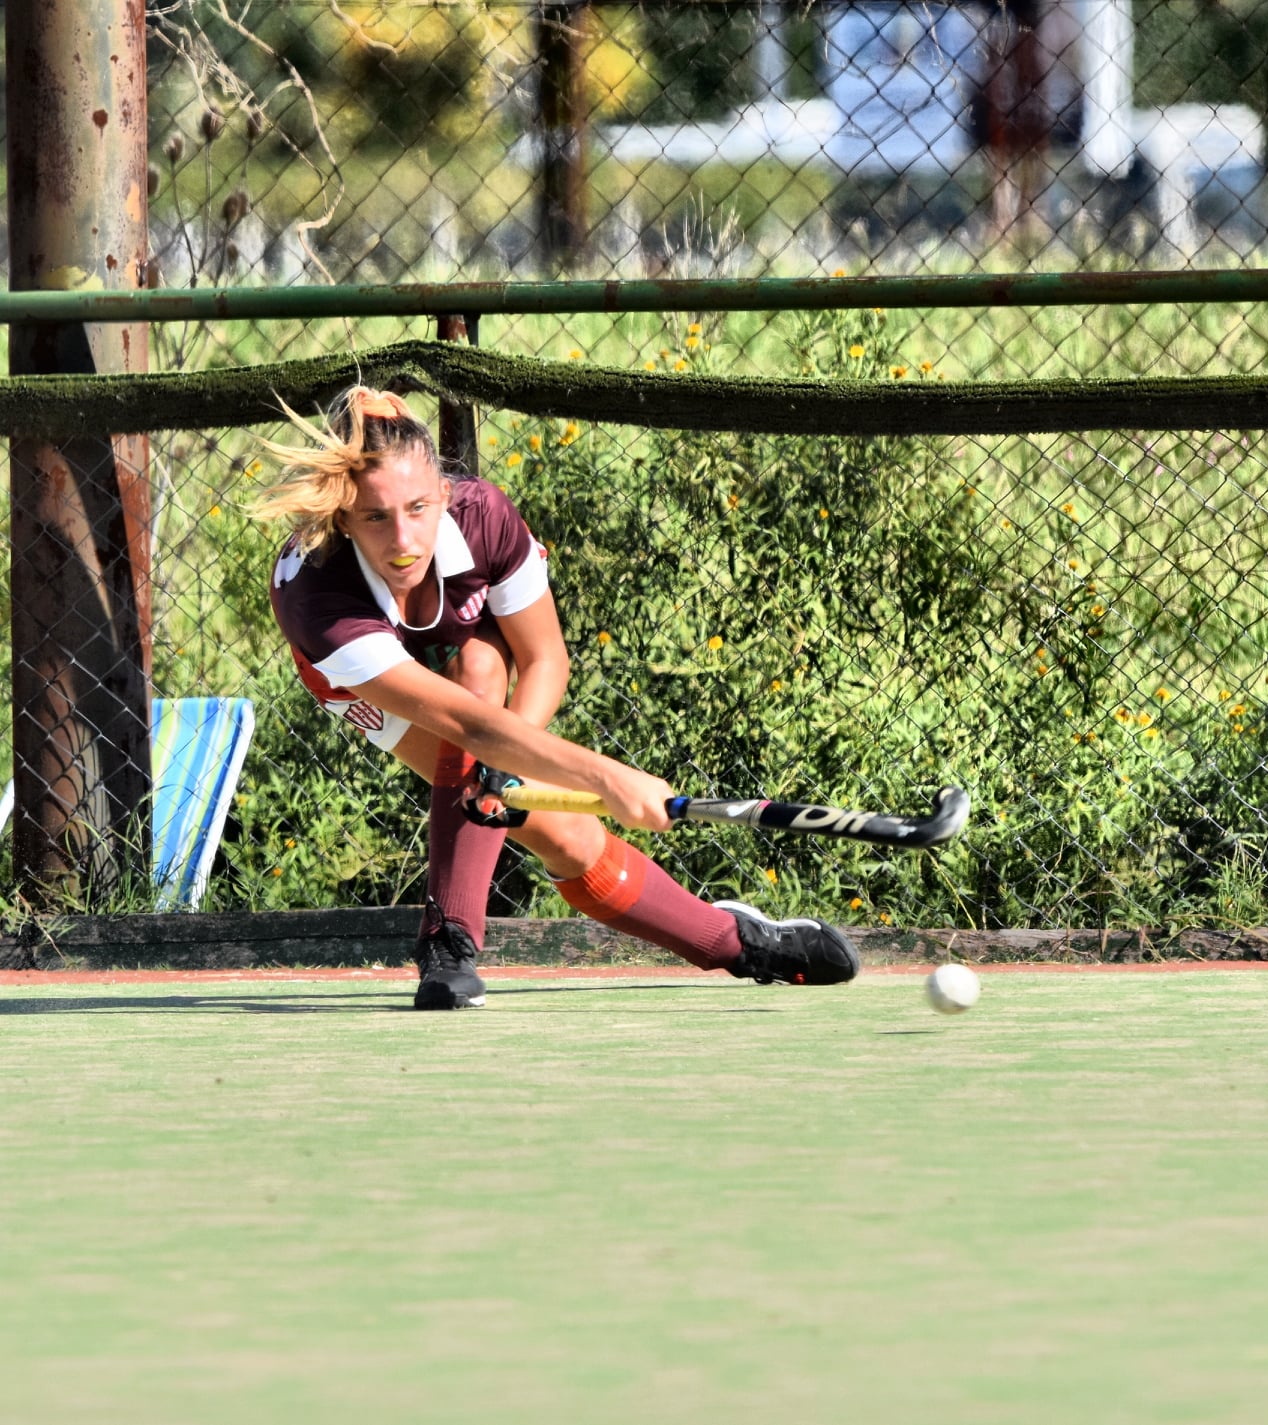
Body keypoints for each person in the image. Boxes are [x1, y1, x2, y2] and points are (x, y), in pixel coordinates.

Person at [253, 385, 859, 1009]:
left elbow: (545, 659)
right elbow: (468, 725)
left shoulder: (483, 516)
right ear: (344, 518)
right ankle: (722, 940)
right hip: (362, 677)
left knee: (486, 681)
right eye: (376, 518)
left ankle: (733, 945)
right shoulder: (317, 595)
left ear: (444, 493)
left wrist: (502, 769)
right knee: (561, 829)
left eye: (418, 508)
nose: (404, 539)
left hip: (472, 655)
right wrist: (609, 778)